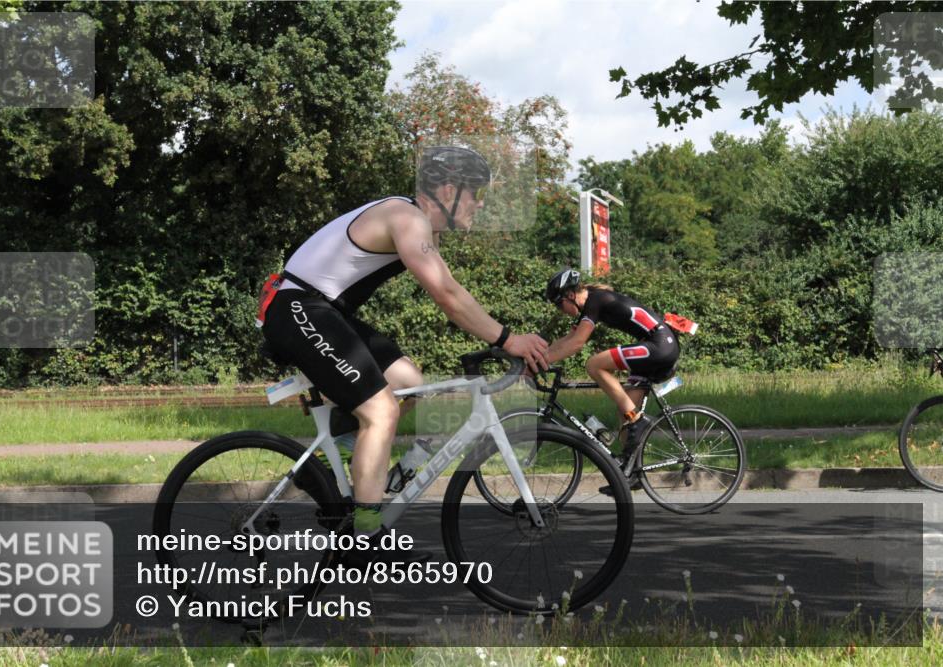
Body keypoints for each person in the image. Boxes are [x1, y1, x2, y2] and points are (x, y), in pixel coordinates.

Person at [259, 146, 549, 561]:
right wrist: (507, 339)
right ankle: (364, 535)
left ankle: (340, 463)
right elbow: (447, 295)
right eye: (476, 194)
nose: (479, 204)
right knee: (382, 412)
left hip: (316, 308)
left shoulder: (410, 220)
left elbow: (452, 290)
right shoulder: (407, 218)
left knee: (409, 383)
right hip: (298, 308)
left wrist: (499, 336)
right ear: (449, 190)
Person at [543, 269, 680, 457]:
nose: (561, 311)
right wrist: (540, 355)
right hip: (655, 346)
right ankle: (631, 472)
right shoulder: (591, 303)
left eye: (559, 305)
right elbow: (570, 338)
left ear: (570, 295)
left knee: (594, 364)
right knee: (625, 414)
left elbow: (577, 344)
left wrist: (544, 361)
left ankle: (639, 421)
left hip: (660, 345)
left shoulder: (595, 301)